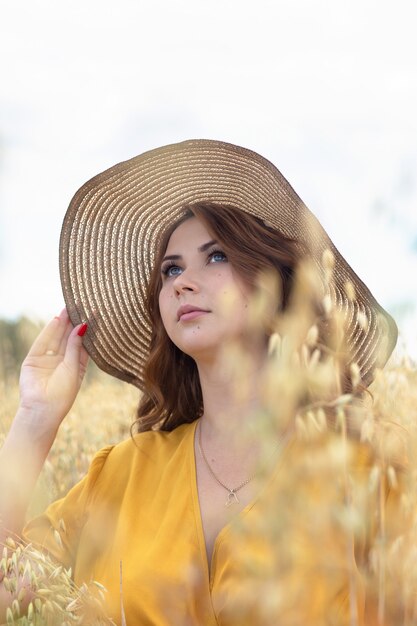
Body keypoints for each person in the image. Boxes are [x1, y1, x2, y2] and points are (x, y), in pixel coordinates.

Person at [0, 140, 398, 625]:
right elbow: (11, 596)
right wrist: (34, 419)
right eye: (171, 269)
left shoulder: (366, 470)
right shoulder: (122, 475)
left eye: (215, 258)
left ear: (276, 285)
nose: (182, 282)